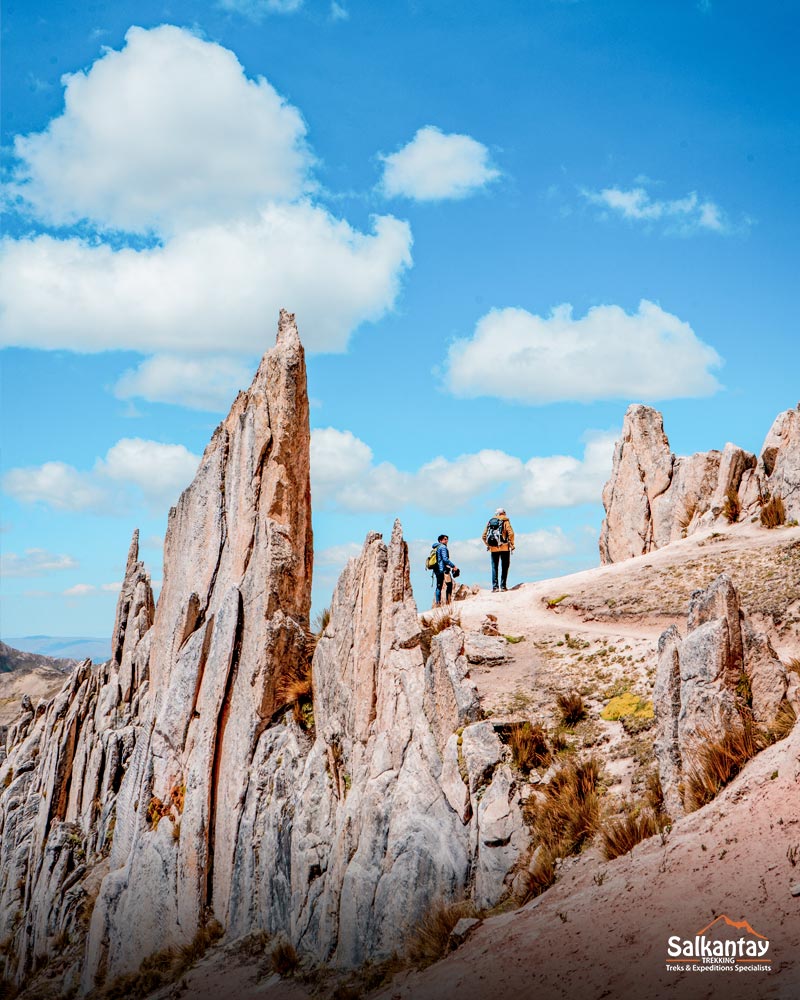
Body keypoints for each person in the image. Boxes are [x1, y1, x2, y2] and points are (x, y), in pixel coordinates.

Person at [482, 507, 515, 592]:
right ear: (503, 513)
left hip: (493, 548)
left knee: (494, 567)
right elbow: (511, 533)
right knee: (504, 567)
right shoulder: (505, 521)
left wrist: (488, 545)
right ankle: (503, 587)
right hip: (505, 547)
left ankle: (495, 587)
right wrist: (511, 544)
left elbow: (483, 536)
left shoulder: (491, 521)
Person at [433, 533, 459, 607]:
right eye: (445, 539)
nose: (446, 540)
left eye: (447, 539)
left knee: (439, 587)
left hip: (437, 570)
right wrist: (453, 566)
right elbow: (445, 559)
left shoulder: (436, 548)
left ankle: (438, 603)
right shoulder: (443, 547)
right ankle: (448, 602)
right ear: (440, 540)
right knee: (449, 585)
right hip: (444, 570)